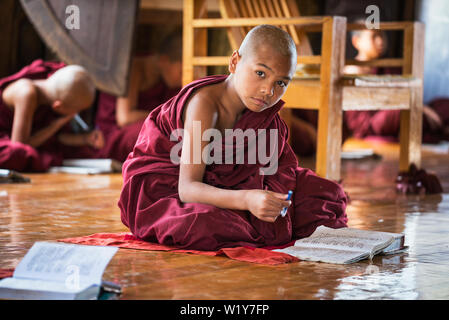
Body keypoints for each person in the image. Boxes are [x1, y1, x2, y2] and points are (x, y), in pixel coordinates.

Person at [118, 25, 348, 251]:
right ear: (235, 62)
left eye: (281, 83)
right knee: (204, 225)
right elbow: (187, 189)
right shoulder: (205, 105)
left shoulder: (264, 114)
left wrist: (274, 197)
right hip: (168, 189)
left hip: (235, 186)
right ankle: (245, 215)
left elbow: (275, 172)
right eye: (260, 73)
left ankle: (249, 214)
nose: (268, 91)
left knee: (328, 196)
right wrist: (248, 200)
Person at [344, 26, 449, 143]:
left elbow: (406, 93)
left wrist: (421, 107)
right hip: (372, 122)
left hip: (398, 108)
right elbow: (383, 101)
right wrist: (421, 108)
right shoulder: (352, 70)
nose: (380, 41)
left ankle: (433, 124)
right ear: (356, 41)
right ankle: (437, 126)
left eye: (381, 36)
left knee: (444, 105)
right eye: (374, 37)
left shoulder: (387, 66)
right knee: (404, 111)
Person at [0, 60, 103, 172]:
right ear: (58, 106)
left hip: (20, 138)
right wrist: (54, 126)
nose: (75, 114)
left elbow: (57, 138)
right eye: (76, 110)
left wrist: (86, 139)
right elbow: (20, 146)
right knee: (18, 155)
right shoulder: (26, 93)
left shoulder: (50, 96)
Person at [95, 30, 183, 162]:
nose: (183, 79)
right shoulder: (133, 68)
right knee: (153, 135)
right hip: (113, 133)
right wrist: (161, 117)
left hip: (145, 123)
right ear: (164, 61)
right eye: (181, 72)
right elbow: (124, 118)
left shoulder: (166, 81)